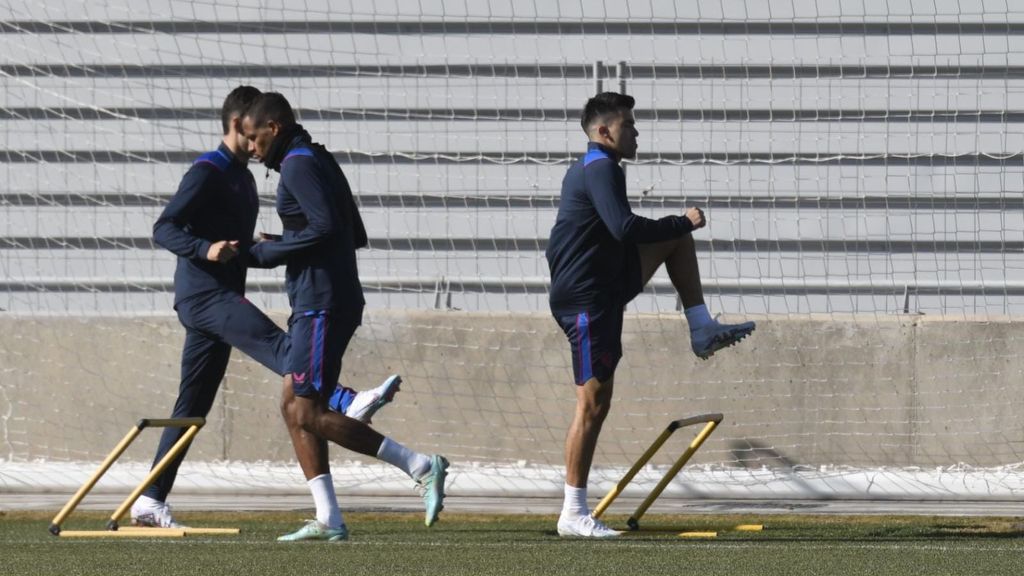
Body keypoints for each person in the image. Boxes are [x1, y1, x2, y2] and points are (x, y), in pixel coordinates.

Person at [134, 86, 401, 529]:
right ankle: (346, 399)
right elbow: (164, 228)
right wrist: (205, 248)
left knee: (191, 406)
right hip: (205, 297)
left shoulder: (246, 176)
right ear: (240, 124)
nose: (259, 146)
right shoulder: (208, 170)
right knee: (279, 345)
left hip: (222, 296)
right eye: (253, 133)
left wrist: (269, 246)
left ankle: (150, 498)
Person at [546, 92, 756, 538]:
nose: (636, 132)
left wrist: (677, 229)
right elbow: (623, 227)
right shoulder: (599, 166)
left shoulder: (603, 167)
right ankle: (573, 513)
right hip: (588, 299)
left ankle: (700, 327)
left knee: (675, 241)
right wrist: (683, 219)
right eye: (628, 124)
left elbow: (619, 232)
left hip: (606, 285)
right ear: (604, 132)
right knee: (592, 403)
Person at [241, 92, 449, 542]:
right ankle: (329, 517)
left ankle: (419, 465)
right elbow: (352, 231)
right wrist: (288, 240)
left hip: (322, 302)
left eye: (255, 139)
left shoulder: (298, 164)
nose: (252, 150)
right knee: (291, 404)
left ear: (273, 128)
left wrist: (267, 252)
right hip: (319, 298)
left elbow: (330, 230)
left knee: (309, 411)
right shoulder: (317, 158)